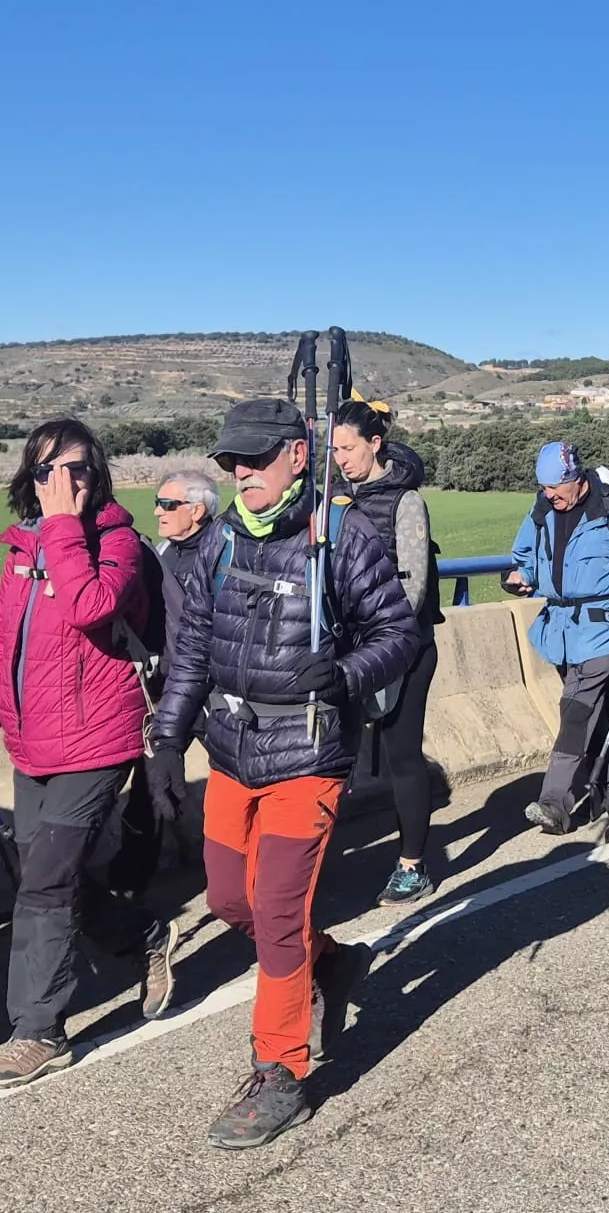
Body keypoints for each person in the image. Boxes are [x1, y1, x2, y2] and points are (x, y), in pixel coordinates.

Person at [149, 397, 419, 1149]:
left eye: (255, 459)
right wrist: (168, 740)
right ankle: (332, 963)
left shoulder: (343, 536)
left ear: (297, 457)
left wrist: (340, 675)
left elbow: (397, 633)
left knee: (275, 913)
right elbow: (193, 647)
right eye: (231, 462)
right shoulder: (221, 541)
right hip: (232, 750)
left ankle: (281, 1071)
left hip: (308, 753)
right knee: (231, 901)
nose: (241, 474)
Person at [0, 420, 178, 1089]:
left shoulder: (120, 545)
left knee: (47, 881)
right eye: (48, 470)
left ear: (99, 474)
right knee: (40, 872)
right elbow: (5, 645)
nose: (63, 483)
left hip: (97, 736)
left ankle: (39, 1030)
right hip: (34, 739)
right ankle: (137, 935)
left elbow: (90, 605)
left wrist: (60, 527)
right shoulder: (22, 551)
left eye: (77, 468)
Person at [508, 441, 609, 836]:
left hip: (604, 627)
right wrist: (523, 578)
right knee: (595, 710)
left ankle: (555, 801)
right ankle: (605, 791)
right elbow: (526, 556)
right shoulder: (542, 510)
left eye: (556, 487)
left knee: (575, 709)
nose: (549, 495)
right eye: (543, 487)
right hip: (559, 630)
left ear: (577, 479)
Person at [330, 400, 442, 904]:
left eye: (348, 448)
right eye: (333, 450)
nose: (341, 459)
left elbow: (413, 587)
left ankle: (413, 864)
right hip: (348, 647)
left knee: (401, 755)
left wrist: (375, 632)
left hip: (403, 647)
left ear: (375, 445)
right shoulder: (332, 501)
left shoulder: (407, 502)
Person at [107, 467, 223, 899]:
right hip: (169, 694)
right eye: (158, 502)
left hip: (215, 696)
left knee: (240, 782)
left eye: (167, 504)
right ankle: (128, 882)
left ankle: (250, 869)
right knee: (150, 790)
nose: (157, 511)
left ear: (196, 510)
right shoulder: (161, 552)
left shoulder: (225, 554)